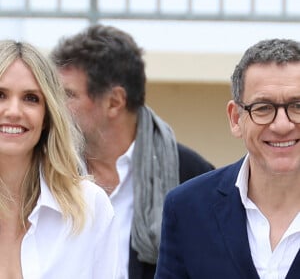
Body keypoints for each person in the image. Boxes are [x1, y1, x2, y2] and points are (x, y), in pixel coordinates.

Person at [51, 24, 215, 279]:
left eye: (68, 95)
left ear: (114, 102)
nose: (55, 106)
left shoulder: (193, 178)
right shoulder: (46, 172)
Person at [154, 38, 300, 279]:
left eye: (297, 105)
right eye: (263, 108)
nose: (282, 125)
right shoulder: (187, 208)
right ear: (235, 119)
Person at [0, 40, 119, 278]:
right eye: (0, 95)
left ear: (47, 116)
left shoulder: (90, 207)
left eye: (31, 98)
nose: (13, 111)